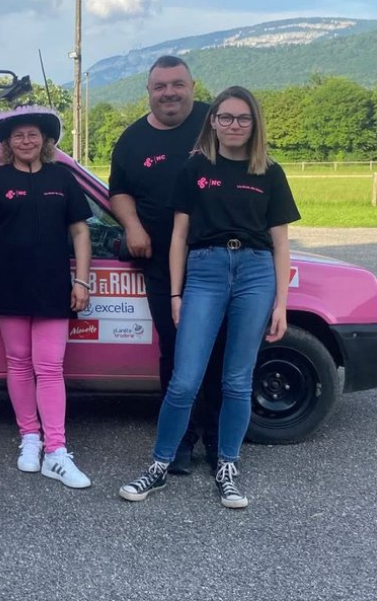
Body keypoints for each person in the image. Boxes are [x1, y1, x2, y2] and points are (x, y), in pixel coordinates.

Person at [118, 86, 300, 509]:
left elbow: (281, 243)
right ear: (213, 122)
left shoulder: (270, 172)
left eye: (243, 118)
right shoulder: (195, 168)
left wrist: (281, 303)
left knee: (237, 380)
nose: (234, 125)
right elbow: (178, 237)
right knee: (184, 379)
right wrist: (176, 292)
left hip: (255, 273)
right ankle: (159, 465)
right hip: (205, 270)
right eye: (226, 117)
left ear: (254, 124)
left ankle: (227, 467)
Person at [0, 106, 94, 489]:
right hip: (7, 284)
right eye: (18, 136)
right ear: (8, 142)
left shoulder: (62, 177)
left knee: (50, 367)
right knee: (19, 363)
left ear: (45, 140)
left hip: (53, 286)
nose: (26, 141)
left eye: (33, 135)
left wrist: (82, 281)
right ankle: (30, 438)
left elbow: (80, 232)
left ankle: (56, 451)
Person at [108, 55, 223, 475]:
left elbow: (254, 171)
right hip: (159, 263)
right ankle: (180, 441)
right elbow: (118, 191)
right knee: (174, 352)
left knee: (220, 352)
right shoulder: (132, 139)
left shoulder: (217, 122)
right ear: (149, 92)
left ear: (192, 86)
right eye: (160, 86)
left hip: (218, 259)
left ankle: (219, 442)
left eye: (177, 84)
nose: (169, 93)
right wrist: (133, 225)